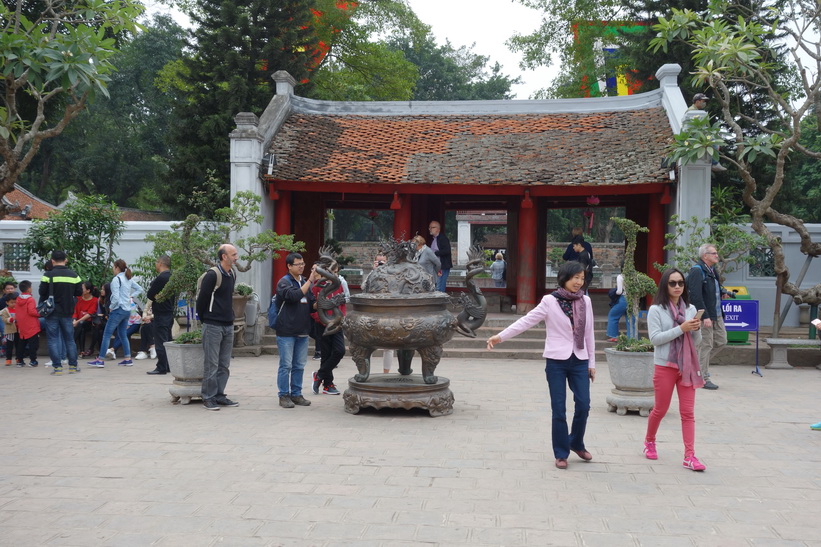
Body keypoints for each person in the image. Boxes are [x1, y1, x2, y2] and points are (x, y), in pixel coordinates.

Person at [486, 261, 596, 470]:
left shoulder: (586, 302)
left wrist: (592, 362)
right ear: (565, 278)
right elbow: (526, 321)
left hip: (579, 360)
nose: (579, 282)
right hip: (556, 361)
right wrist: (500, 337)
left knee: (584, 404)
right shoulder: (549, 301)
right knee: (559, 409)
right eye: (576, 278)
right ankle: (561, 452)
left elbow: (589, 333)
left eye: (582, 278)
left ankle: (576, 442)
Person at [645, 268, 706, 471]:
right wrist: (681, 328)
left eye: (681, 283)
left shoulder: (690, 309)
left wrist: (695, 329)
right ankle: (649, 441)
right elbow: (655, 339)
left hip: (687, 365)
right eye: (673, 283)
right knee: (660, 409)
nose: (678, 286)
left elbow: (696, 341)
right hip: (665, 365)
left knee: (687, 413)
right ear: (665, 285)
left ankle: (690, 456)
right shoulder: (656, 310)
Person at [196, 244, 240, 410]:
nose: (236, 257)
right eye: (233, 254)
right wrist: (206, 318)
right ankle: (208, 397)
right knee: (211, 364)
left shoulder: (232, 273)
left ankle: (220, 395)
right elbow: (201, 301)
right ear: (224, 257)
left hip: (228, 325)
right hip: (213, 324)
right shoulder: (212, 275)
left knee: (224, 364)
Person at [686, 243, 734, 390]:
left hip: (717, 313)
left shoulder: (712, 270)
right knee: (706, 345)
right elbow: (695, 296)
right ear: (705, 256)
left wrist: (722, 292)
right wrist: (704, 316)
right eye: (714, 253)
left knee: (721, 341)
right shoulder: (697, 271)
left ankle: (695, 366)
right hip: (706, 315)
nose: (717, 255)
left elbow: (713, 289)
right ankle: (702, 377)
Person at [275, 252, 320, 408]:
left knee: (299, 365)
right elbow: (292, 296)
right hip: (286, 331)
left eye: (303, 264)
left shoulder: (305, 283)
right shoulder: (284, 282)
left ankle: (296, 394)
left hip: (302, 330)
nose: (301, 266)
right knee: (286, 365)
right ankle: (283, 395)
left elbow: (312, 304)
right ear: (289, 266)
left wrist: (324, 297)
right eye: (298, 264)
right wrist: (309, 281)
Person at [88, 259, 141, 368]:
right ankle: (127, 359)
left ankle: (100, 360)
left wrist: (111, 307)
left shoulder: (116, 279)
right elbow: (139, 289)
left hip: (118, 310)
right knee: (122, 334)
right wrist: (130, 297)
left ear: (117, 267)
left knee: (107, 334)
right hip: (127, 310)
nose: (113, 269)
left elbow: (115, 297)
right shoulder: (128, 278)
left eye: (113, 267)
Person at [39, 250, 82, 375]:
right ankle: (73, 367)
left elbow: (42, 292)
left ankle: (57, 368)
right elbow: (79, 292)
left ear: (52, 261)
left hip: (51, 312)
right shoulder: (74, 276)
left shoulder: (48, 275)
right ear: (66, 260)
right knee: (69, 339)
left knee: (53, 339)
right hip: (67, 312)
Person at [310, 262, 346, 396]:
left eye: (336, 272)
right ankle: (328, 384)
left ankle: (319, 375)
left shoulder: (338, 285)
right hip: (322, 322)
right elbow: (312, 305)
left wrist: (342, 318)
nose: (334, 274)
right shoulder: (317, 286)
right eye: (332, 271)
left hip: (336, 322)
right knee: (326, 354)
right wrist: (319, 304)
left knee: (340, 351)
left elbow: (342, 303)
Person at [145, 255, 174, 375]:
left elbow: (150, 294)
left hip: (161, 313)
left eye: (157, 262)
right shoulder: (172, 277)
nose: (156, 264)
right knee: (168, 340)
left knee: (161, 341)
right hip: (169, 311)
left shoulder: (161, 278)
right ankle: (168, 365)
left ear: (161, 263)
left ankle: (161, 366)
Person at [688, 93, 727, 173]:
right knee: (714, 142)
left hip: (697, 134)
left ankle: (715, 162)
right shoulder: (692, 111)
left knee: (715, 141)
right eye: (703, 101)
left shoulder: (694, 110)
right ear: (697, 101)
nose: (704, 103)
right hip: (696, 135)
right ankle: (715, 163)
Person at [16, 281, 40, 367]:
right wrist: (39, 314)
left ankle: (19, 360)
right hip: (31, 325)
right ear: (29, 289)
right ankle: (33, 360)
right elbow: (32, 311)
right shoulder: (30, 299)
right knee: (33, 344)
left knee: (21, 343)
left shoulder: (18, 299)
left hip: (22, 325)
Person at [606, 262, 632, 342]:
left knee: (613, 316)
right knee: (631, 319)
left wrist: (613, 292)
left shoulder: (621, 277)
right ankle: (632, 337)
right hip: (632, 300)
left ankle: (614, 336)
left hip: (623, 299)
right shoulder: (634, 276)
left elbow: (619, 291)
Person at [72, 281, 99, 357]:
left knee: (81, 324)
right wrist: (74, 319)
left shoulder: (94, 300)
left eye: (82, 288)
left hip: (88, 322)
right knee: (81, 328)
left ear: (88, 290)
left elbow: (89, 314)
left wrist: (77, 321)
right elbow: (75, 312)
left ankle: (71, 344)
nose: (80, 290)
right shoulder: (79, 299)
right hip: (78, 322)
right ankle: (81, 351)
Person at [428, 220, 452, 292]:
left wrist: (434, 253)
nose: (430, 229)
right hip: (436, 266)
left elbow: (447, 250)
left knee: (440, 285)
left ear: (438, 229)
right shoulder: (434, 239)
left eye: (432, 227)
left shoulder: (442, 238)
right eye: (429, 227)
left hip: (442, 266)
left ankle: (441, 300)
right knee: (436, 284)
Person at [1, 292, 20, 366]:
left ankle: (18, 358)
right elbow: (5, 320)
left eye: (15, 302)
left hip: (18, 330)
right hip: (10, 331)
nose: (14, 304)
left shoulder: (19, 309)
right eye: (12, 303)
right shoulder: (5, 311)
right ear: (7, 302)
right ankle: (8, 359)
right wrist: (12, 319)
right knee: (9, 346)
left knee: (18, 345)